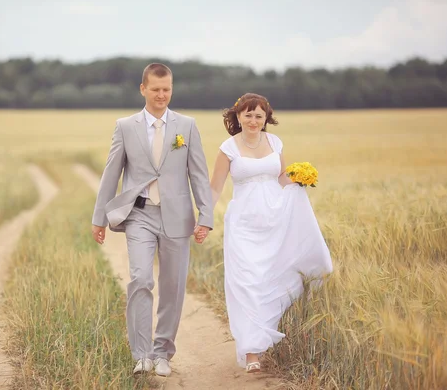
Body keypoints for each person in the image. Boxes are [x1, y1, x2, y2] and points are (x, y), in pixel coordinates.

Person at [91, 63, 214, 377]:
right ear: (143, 88)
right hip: (140, 215)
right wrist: (99, 217)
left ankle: (162, 354)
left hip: (178, 217)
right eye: (156, 89)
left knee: (172, 288)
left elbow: (198, 173)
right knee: (141, 279)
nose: (162, 95)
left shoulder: (186, 126)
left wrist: (206, 215)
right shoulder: (125, 126)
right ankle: (142, 355)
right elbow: (111, 172)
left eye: (167, 89)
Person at [203, 93, 333, 373]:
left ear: (266, 118)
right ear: (238, 117)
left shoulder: (275, 142)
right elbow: (215, 188)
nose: (253, 120)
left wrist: (301, 177)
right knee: (247, 282)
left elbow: (282, 177)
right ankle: (252, 353)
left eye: (258, 115)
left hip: (276, 218)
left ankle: (266, 337)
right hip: (244, 223)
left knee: (271, 279)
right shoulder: (228, 148)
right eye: (247, 114)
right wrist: (203, 220)